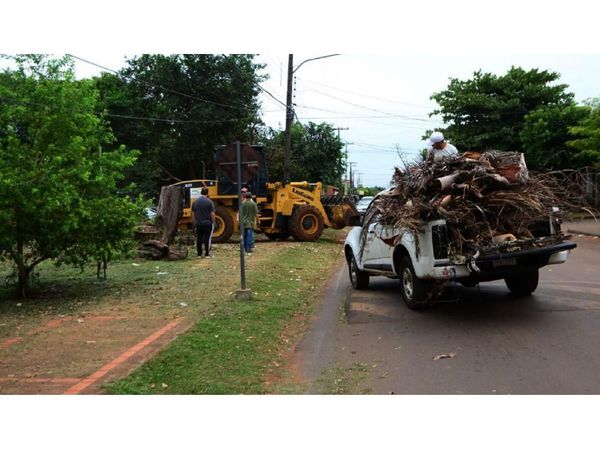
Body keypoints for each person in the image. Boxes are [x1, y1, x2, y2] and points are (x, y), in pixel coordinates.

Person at [192, 187, 216, 257]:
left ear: (201, 192)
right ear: (207, 193)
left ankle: (199, 253)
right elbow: (212, 213)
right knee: (207, 238)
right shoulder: (209, 202)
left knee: (199, 238)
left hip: (198, 223)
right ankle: (207, 253)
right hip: (207, 223)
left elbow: (193, 213)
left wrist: (194, 222)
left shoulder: (195, 202)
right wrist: (213, 222)